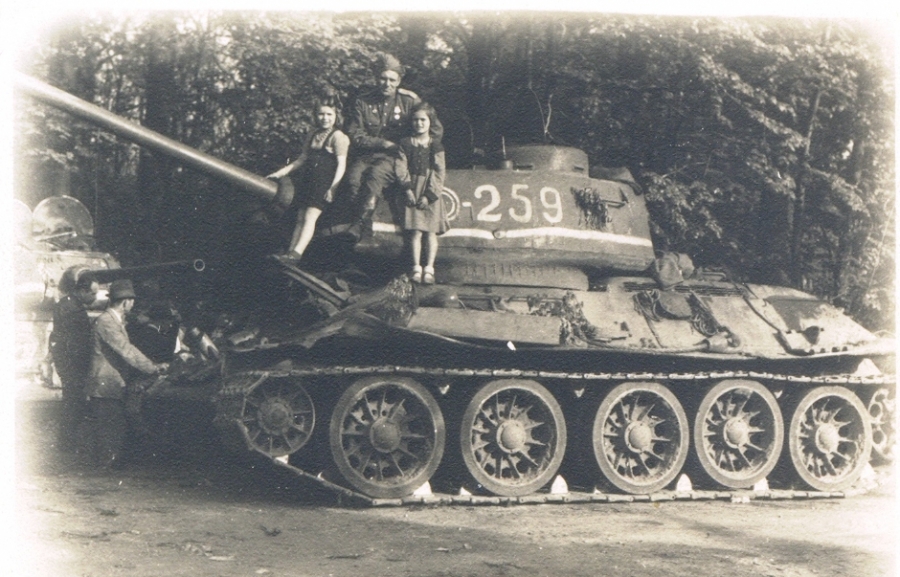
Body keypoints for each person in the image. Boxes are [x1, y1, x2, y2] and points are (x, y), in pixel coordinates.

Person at [345, 53, 443, 238]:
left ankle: (358, 229)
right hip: (367, 155)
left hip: (396, 157)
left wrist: (417, 150)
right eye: (383, 79)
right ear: (376, 79)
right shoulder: (363, 101)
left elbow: (434, 129)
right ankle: (360, 225)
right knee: (352, 180)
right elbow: (355, 134)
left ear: (398, 81)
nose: (387, 84)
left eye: (392, 80)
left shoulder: (409, 101)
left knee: (375, 177)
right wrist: (383, 143)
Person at [84, 279, 168, 468]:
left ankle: (106, 465)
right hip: (106, 384)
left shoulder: (114, 320)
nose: (133, 305)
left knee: (112, 427)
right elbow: (126, 350)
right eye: (132, 301)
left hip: (111, 383)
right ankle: (104, 469)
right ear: (125, 302)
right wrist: (153, 368)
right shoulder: (107, 322)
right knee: (109, 428)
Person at [268, 95, 350, 261]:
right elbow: (302, 159)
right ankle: (290, 253)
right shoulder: (313, 134)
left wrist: (333, 188)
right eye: (321, 114)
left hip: (324, 183)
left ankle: (297, 253)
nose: (325, 118)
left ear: (336, 116)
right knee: (300, 218)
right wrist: (280, 173)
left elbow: (341, 165)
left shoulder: (339, 137)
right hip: (309, 180)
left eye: (329, 114)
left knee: (310, 218)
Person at [395, 103, 449, 284]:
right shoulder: (405, 144)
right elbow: (400, 167)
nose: (419, 123)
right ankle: (416, 268)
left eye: (423, 120)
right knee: (416, 231)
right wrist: (407, 189)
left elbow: (439, 171)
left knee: (431, 232)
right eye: (415, 120)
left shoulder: (436, 145)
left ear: (430, 122)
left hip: (430, 190)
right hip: (412, 189)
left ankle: (429, 269)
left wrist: (429, 195)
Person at [49, 265, 98, 452]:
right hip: (73, 365)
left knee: (71, 403)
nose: (95, 298)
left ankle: (67, 443)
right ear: (82, 291)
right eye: (92, 293)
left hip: (67, 363)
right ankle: (67, 445)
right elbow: (76, 343)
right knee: (73, 404)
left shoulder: (67, 304)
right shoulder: (73, 310)